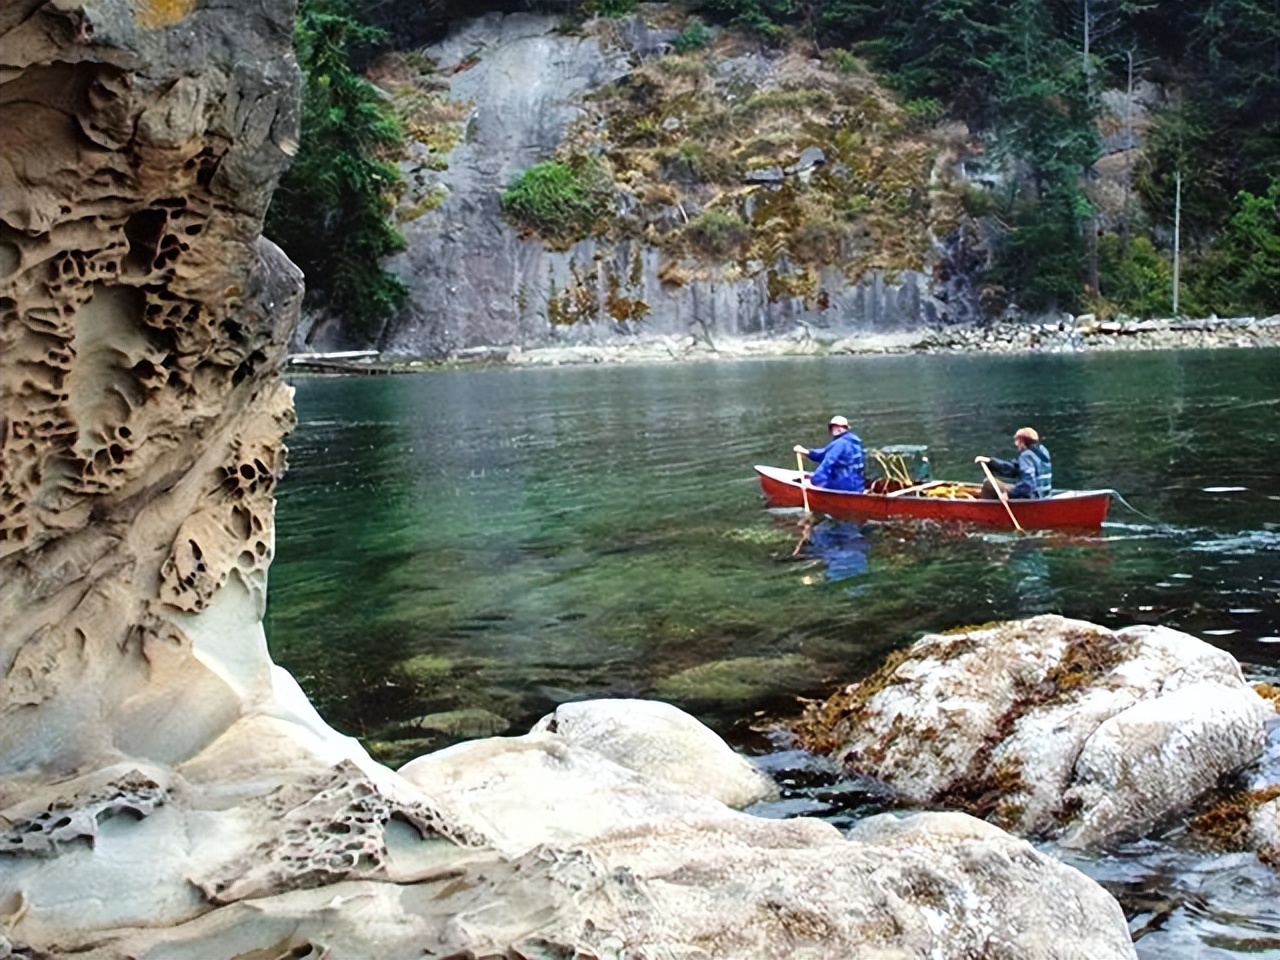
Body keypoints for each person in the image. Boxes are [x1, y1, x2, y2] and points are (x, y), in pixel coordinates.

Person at [975, 426, 1052, 500]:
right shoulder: (1042, 452)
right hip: (1043, 495)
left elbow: (1028, 484)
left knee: (988, 483)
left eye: (1017, 441)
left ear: (1022, 441)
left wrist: (1009, 494)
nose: (1016, 444)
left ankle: (982, 507)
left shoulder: (1026, 456)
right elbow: (1013, 468)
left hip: (1032, 497)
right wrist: (990, 461)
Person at [793, 415, 866, 492]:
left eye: (840, 427)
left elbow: (826, 464)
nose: (836, 429)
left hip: (843, 485)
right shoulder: (853, 442)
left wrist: (813, 481)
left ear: (846, 429)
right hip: (858, 485)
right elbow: (825, 453)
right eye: (834, 426)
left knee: (814, 480)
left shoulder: (839, 444)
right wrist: (807, 452)